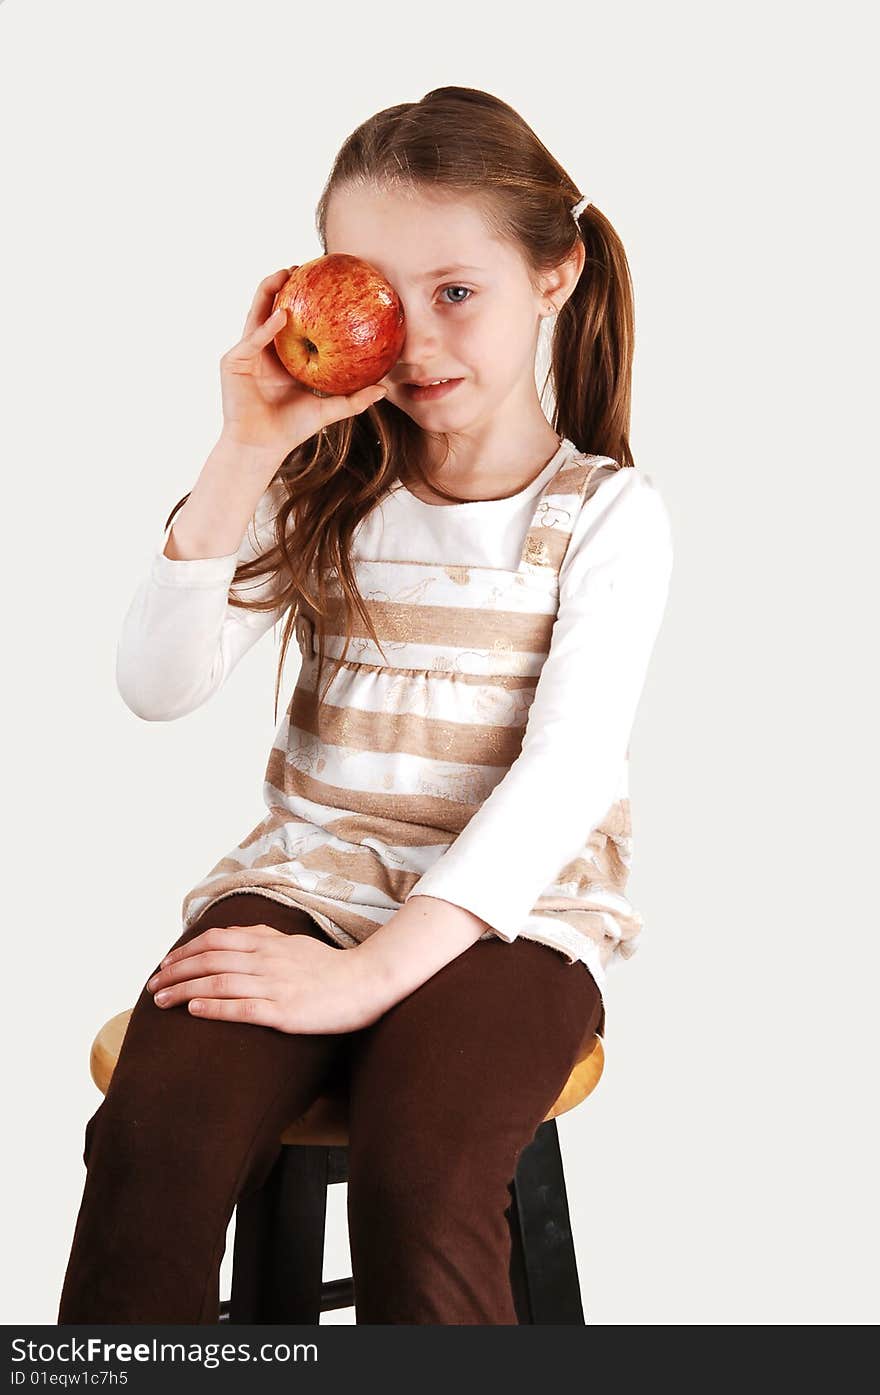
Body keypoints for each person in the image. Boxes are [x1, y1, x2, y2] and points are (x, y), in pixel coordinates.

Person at [57, 84, 674, 1326]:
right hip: (309, 880)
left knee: (426, 1170)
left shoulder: (606, 517)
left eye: (458, 292)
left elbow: (562, 775)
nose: (422, 341)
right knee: (148, 1155)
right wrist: (245, 449)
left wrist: (369, 980)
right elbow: (155, 689)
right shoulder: (327, 482)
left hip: (512, 920)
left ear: (551, 278)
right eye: (386, 297)